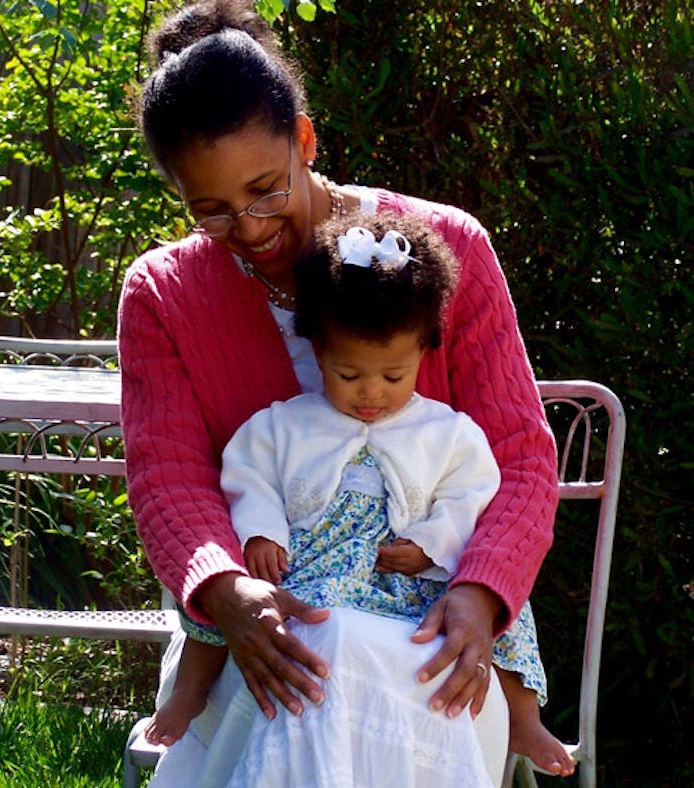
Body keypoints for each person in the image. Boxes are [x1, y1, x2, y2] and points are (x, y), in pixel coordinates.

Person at [118, 0, 573, 781]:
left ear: (303, 140)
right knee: (313, 675)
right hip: (259, 634)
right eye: (212, 212)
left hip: (438, 632)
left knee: (346, 674)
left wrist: (477, 593)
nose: (250, 228)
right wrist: (228, 592)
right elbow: (170, 482)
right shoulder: (162, 294)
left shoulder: (446, 250)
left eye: (266, 190)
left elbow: (522, 464)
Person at [142, 211, 568, 782]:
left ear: (423, 353)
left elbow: (472, 494)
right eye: (349, 375)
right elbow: (248, 476)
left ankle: (523, 715)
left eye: (393, 378)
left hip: (410, 582)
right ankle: (189, 693)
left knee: (503, 602)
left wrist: (430, 543)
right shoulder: (284, 425)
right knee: (226, 596)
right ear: (319, 355)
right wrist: (263, 530)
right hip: (315, 570)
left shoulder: (448, 431)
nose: (371, 394)